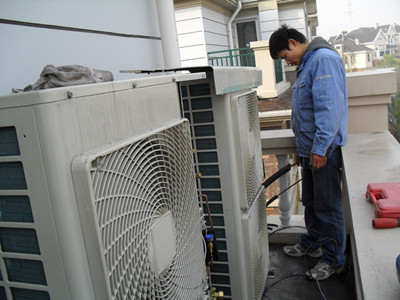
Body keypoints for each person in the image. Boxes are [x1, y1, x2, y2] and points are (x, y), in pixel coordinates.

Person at [269, 25, 348, 281]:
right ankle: (312, 243)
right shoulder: (309, 63)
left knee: (328, 208)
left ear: (293, 42)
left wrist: (321, 148)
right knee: (312, 203)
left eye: (284, 56)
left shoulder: (323, 60)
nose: (287, 62)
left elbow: (329, 109)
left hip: (323, 151)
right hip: (311, 151)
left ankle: (334, 261)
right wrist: (307, 150)